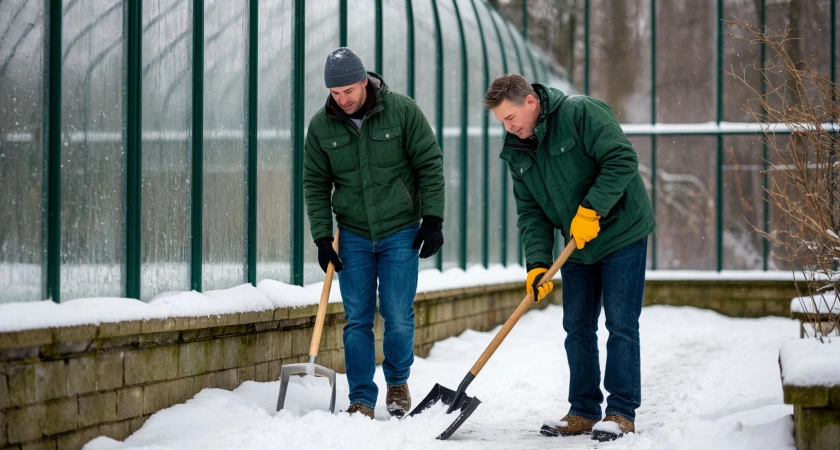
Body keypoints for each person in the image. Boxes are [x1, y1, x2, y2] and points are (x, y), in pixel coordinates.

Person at [484, 74, 656, 441]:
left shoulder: (580, 113)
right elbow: (530, 213)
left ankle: (621, 412)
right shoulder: (516, 150)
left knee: (621, 323)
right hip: (576, 243)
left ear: (531, 102)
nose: (508, 126)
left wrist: (592, 209)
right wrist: (537, 264)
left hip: (622, 231)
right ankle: (583, 410)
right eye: (501, 121)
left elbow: (622, 159)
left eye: (510, 117)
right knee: (577, 326)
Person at [303, 47, 445, 420]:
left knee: (397, 314)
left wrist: (432, 220)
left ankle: (397, 382)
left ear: (364, 81)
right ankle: (361, 397)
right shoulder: (321, 126)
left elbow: (429, 164)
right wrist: (321, 238)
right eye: (335, 93)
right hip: (352, 234)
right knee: (357, 319)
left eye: (349, 90)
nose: (343, 100)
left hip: (401, 229)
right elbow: (315, 184)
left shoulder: (402, 111)